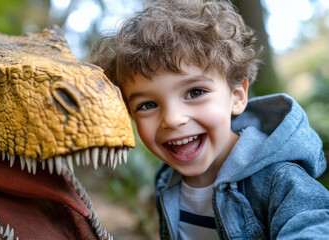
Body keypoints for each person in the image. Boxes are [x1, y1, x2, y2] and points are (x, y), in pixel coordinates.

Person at [91, 0, 329, 239]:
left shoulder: (279, 181)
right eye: (148, 105)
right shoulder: (166, 181)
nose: (173, 119)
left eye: (195, 92)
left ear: (237, 96)